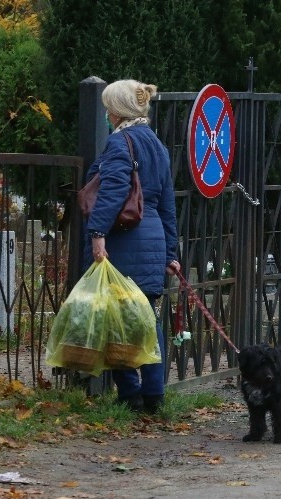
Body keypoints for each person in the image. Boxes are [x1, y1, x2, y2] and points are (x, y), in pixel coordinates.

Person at [82, 79, 179, 414]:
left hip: (124, 242)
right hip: (152, 241)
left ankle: (129, 393)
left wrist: (97, 233)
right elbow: (168, 204)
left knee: (115, 321)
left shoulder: (120, 143)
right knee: (146, 320)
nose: (107, 113)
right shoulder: (157, 145)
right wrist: (170, 254)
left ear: (118, 110)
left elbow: (112, 190)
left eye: (110, 107)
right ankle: (155, 395)